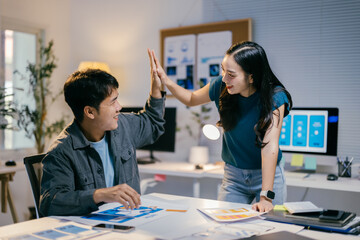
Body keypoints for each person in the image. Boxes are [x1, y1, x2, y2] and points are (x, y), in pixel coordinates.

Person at [149, 41, 292, 212]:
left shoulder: (275, 97)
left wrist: (265, 197)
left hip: (267, 175)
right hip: (234, 176)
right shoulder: (222, 86)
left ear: (251, 77)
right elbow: (192, 98)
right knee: (224, 225)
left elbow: (269, 147)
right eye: (223, 70)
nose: (224, 78)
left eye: (231, 74)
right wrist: (165, 80)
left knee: (269, 229)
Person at [39, 51, 165, 216]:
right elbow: (50, 203)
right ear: (90, 112)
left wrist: (156, 88)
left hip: (130, 225)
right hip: (94, 231)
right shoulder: (61, 151)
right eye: (113, 102)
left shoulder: (123, 126)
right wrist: (99, 195)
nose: (119, 107)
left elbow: (153, 124)